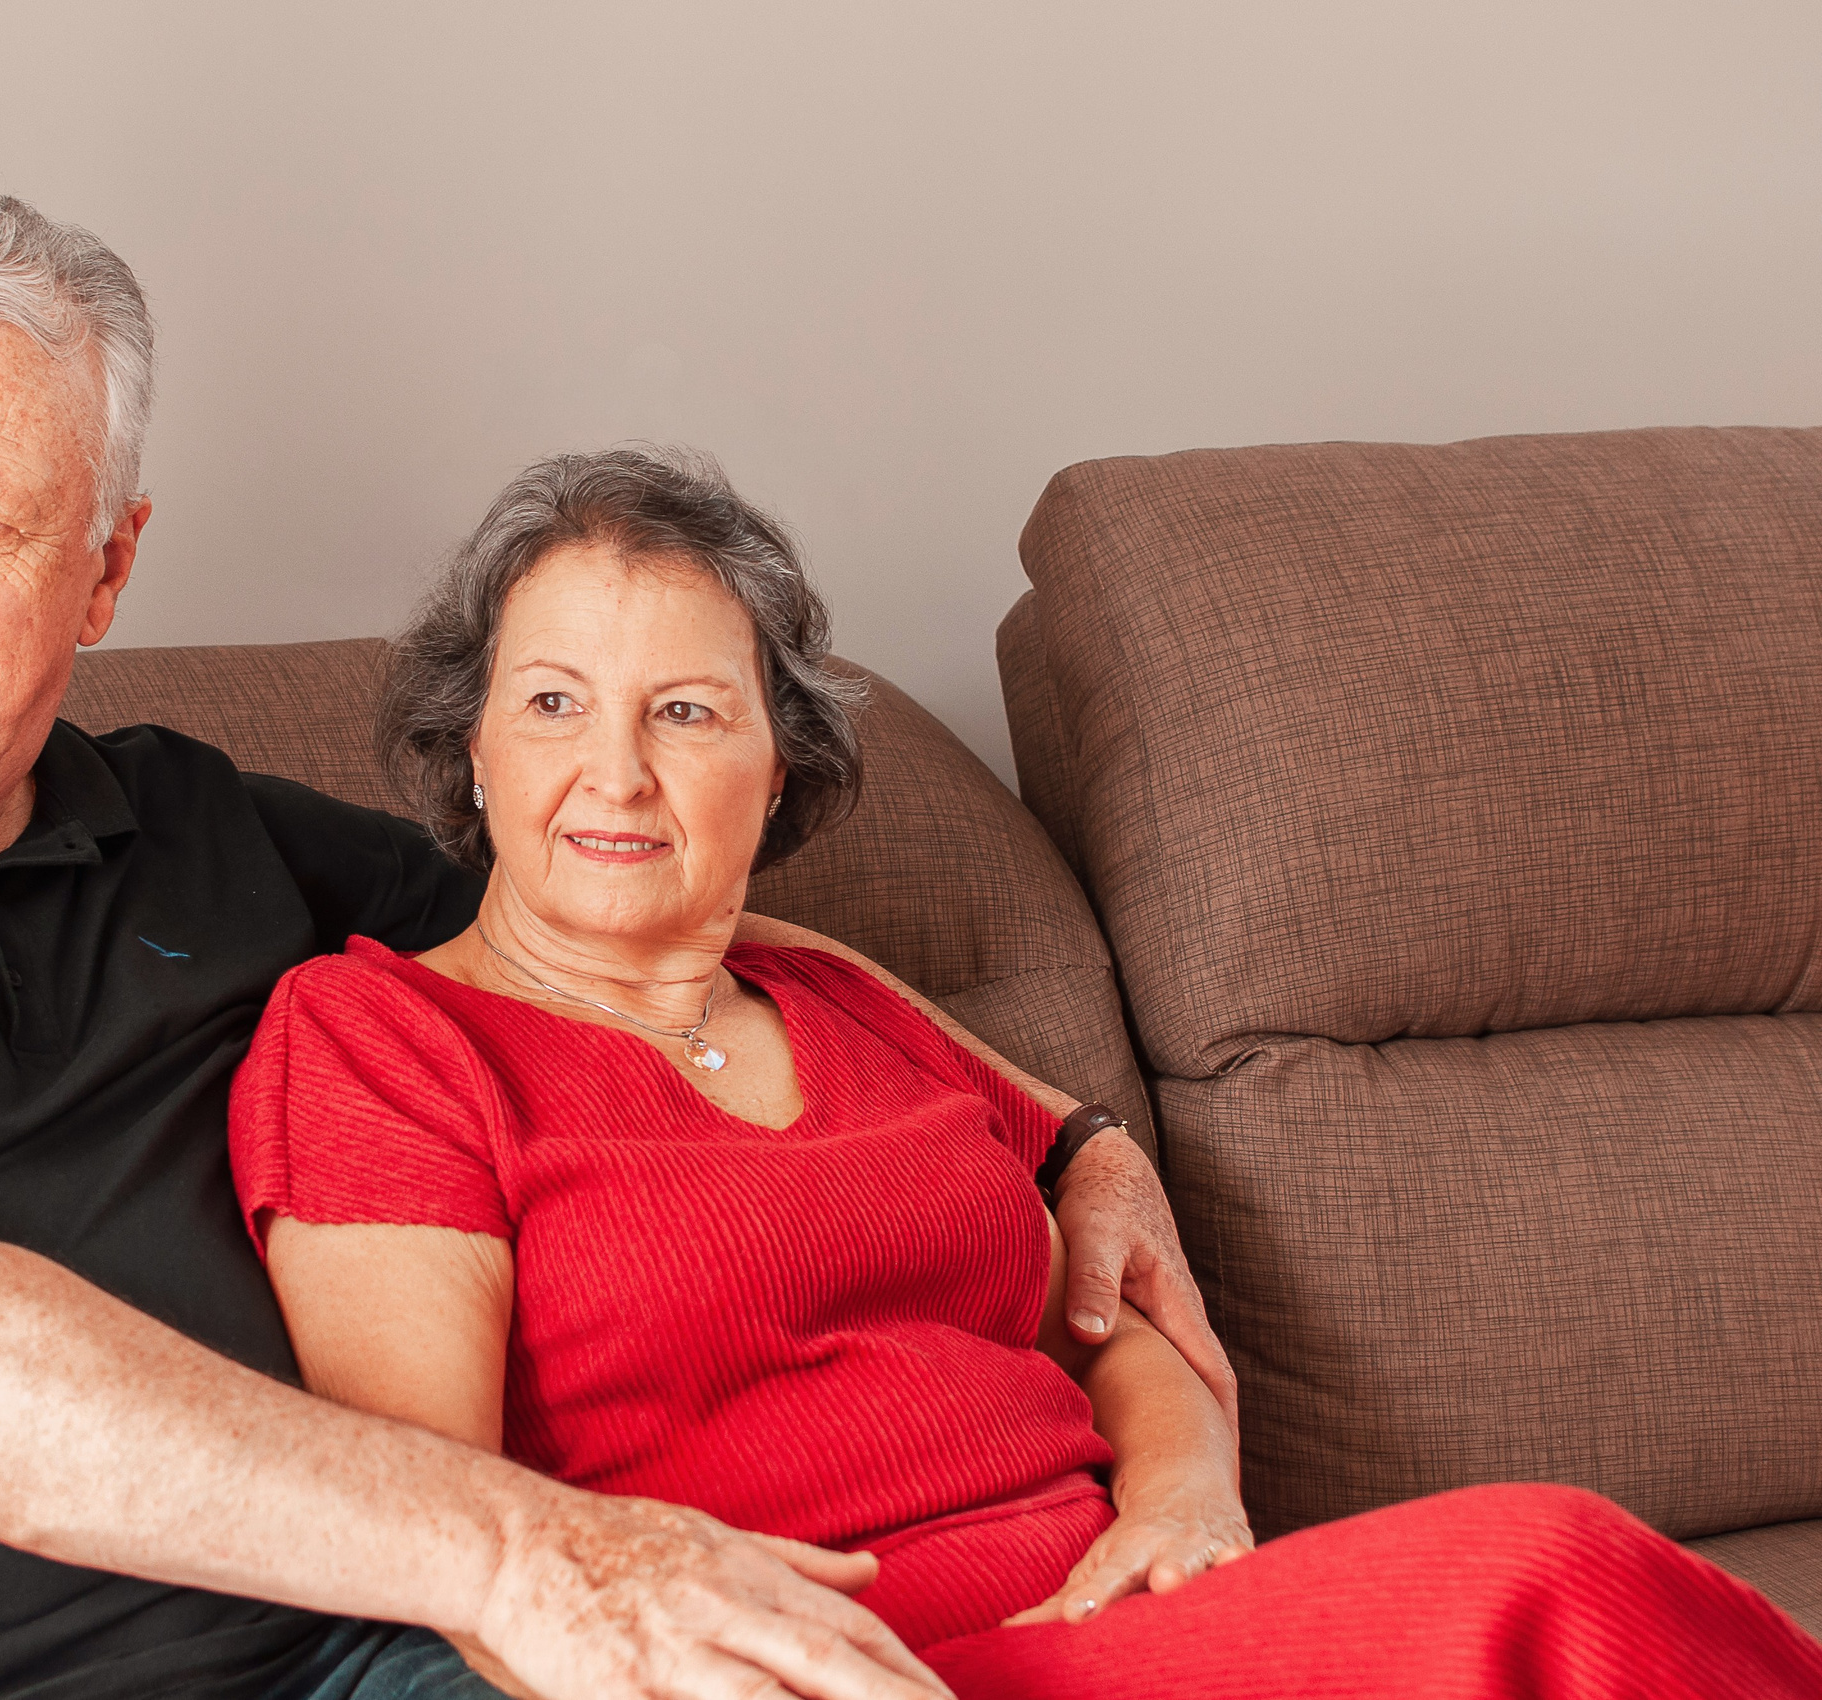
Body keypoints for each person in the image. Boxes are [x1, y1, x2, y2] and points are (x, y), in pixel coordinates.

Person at [0, 192, 1213, 1700]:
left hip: (365, 1655)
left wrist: (1072, 1128)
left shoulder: (193, 823)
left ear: (107, 571)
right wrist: (534, 1555)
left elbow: (640, 922)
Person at [228, 444, 1822, 1697]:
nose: (617, 771)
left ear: (778, 763)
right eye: (555, 701)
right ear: (474, 748)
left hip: (1124, 1617)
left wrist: (1187, 1502)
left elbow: (1106, 1305)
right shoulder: (381, 1043)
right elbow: (442, 1534)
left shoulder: (845, 1002)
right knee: (1543, 1576)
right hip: (835, 1671)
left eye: (689, 711)